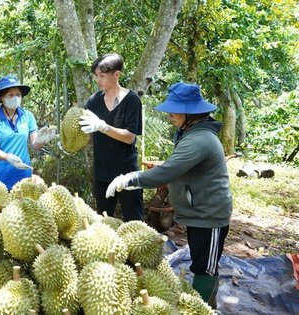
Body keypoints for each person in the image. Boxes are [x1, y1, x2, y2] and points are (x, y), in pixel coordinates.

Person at [106, 82, 232, 308]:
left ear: (190, 113)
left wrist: (130, 180)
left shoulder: (199, 139)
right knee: (200, 263)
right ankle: (201, 306)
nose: (169, 115)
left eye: (174, 110)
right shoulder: (190, 133)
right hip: (199, 212)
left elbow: (168, 171)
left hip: (210, 214)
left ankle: (203, 309)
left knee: (206, 268)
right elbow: (176, 167)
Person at [78, 53, 144, 221]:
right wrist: (67, 141)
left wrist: (103, 126)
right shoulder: (93, 102)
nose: (98, 80)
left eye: (102, 76)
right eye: (96, 76)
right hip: (102, 172)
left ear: (117, 74)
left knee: (135, 221)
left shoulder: (131, 100)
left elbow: (130, 137)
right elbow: (88, 138)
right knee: (104, 221)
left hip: (126, 173)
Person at [0, 74, 57, 190]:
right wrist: (8, 157)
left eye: (18, 95)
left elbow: (34, 144)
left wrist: (41, 140)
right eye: (10, 95)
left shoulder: (28, 116)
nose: (15, 98)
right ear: (2, 98)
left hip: (23, 174)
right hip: (0, 176)